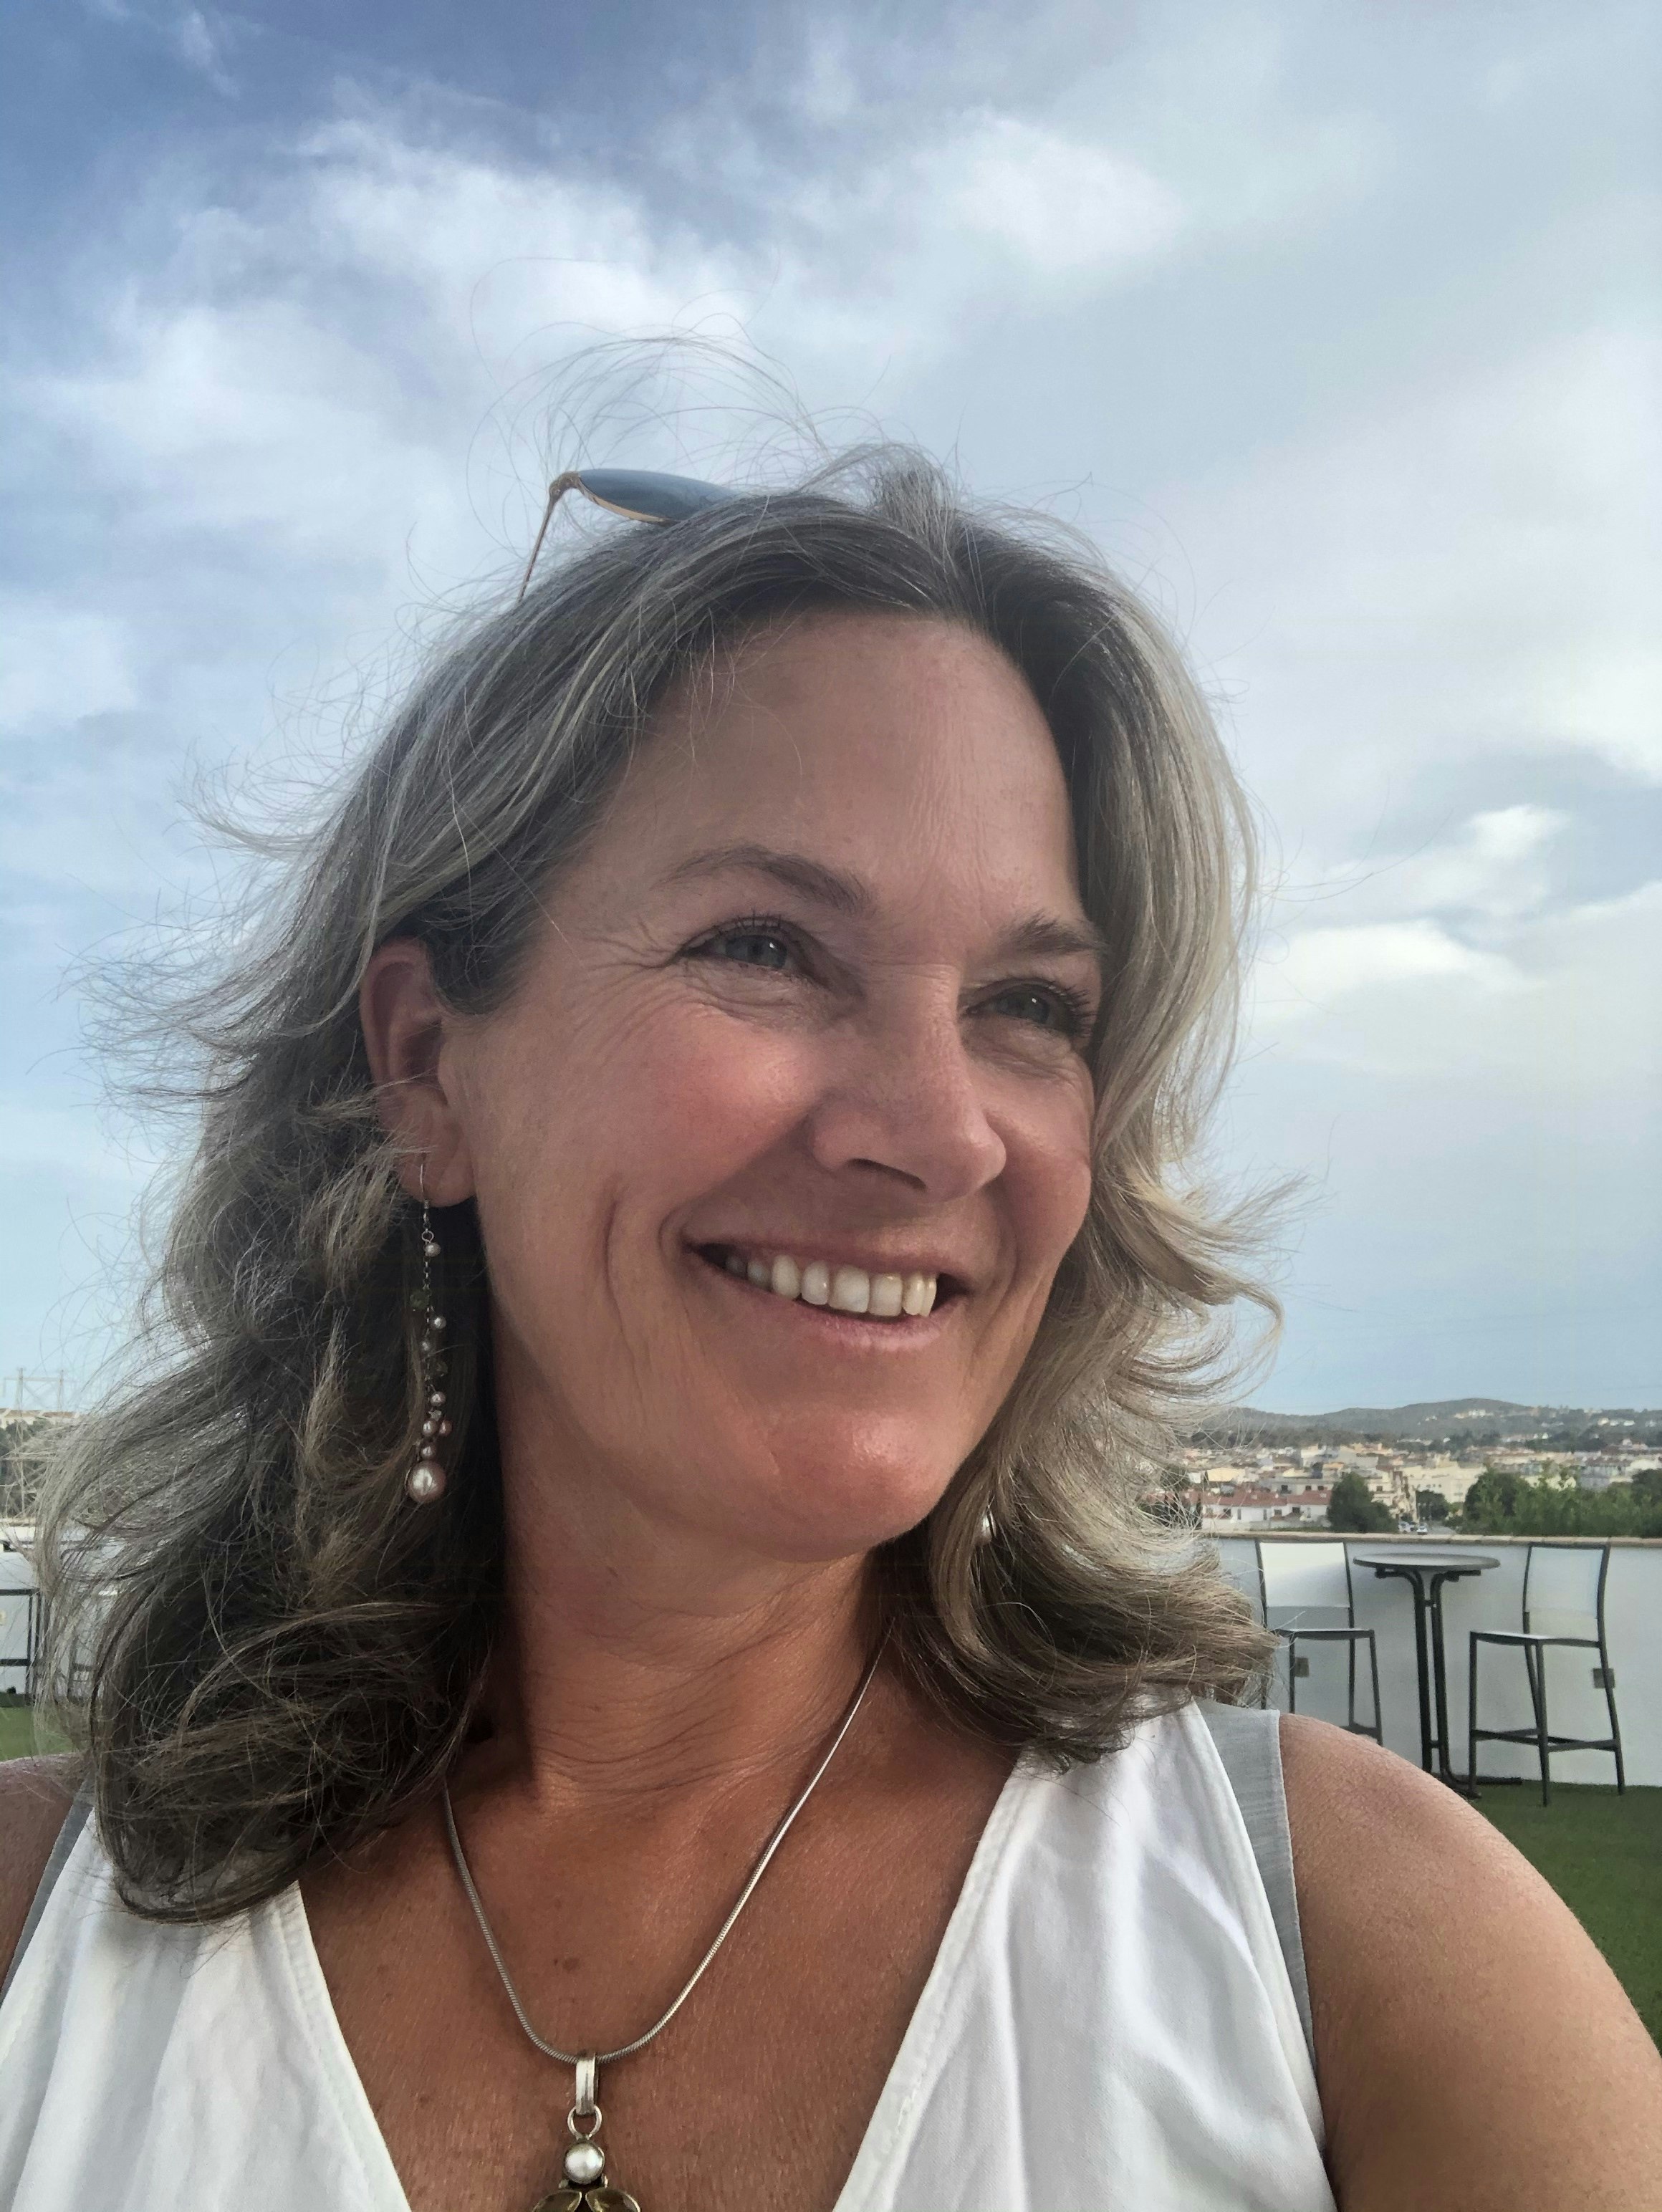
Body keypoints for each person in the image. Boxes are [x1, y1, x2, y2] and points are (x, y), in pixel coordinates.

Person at [1, 455, 1658, 2212]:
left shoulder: (1359, 1942)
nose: (939, 1132)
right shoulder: (42, 1939)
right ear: (424, 1065)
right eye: (767, 945)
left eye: (1029, 1004)